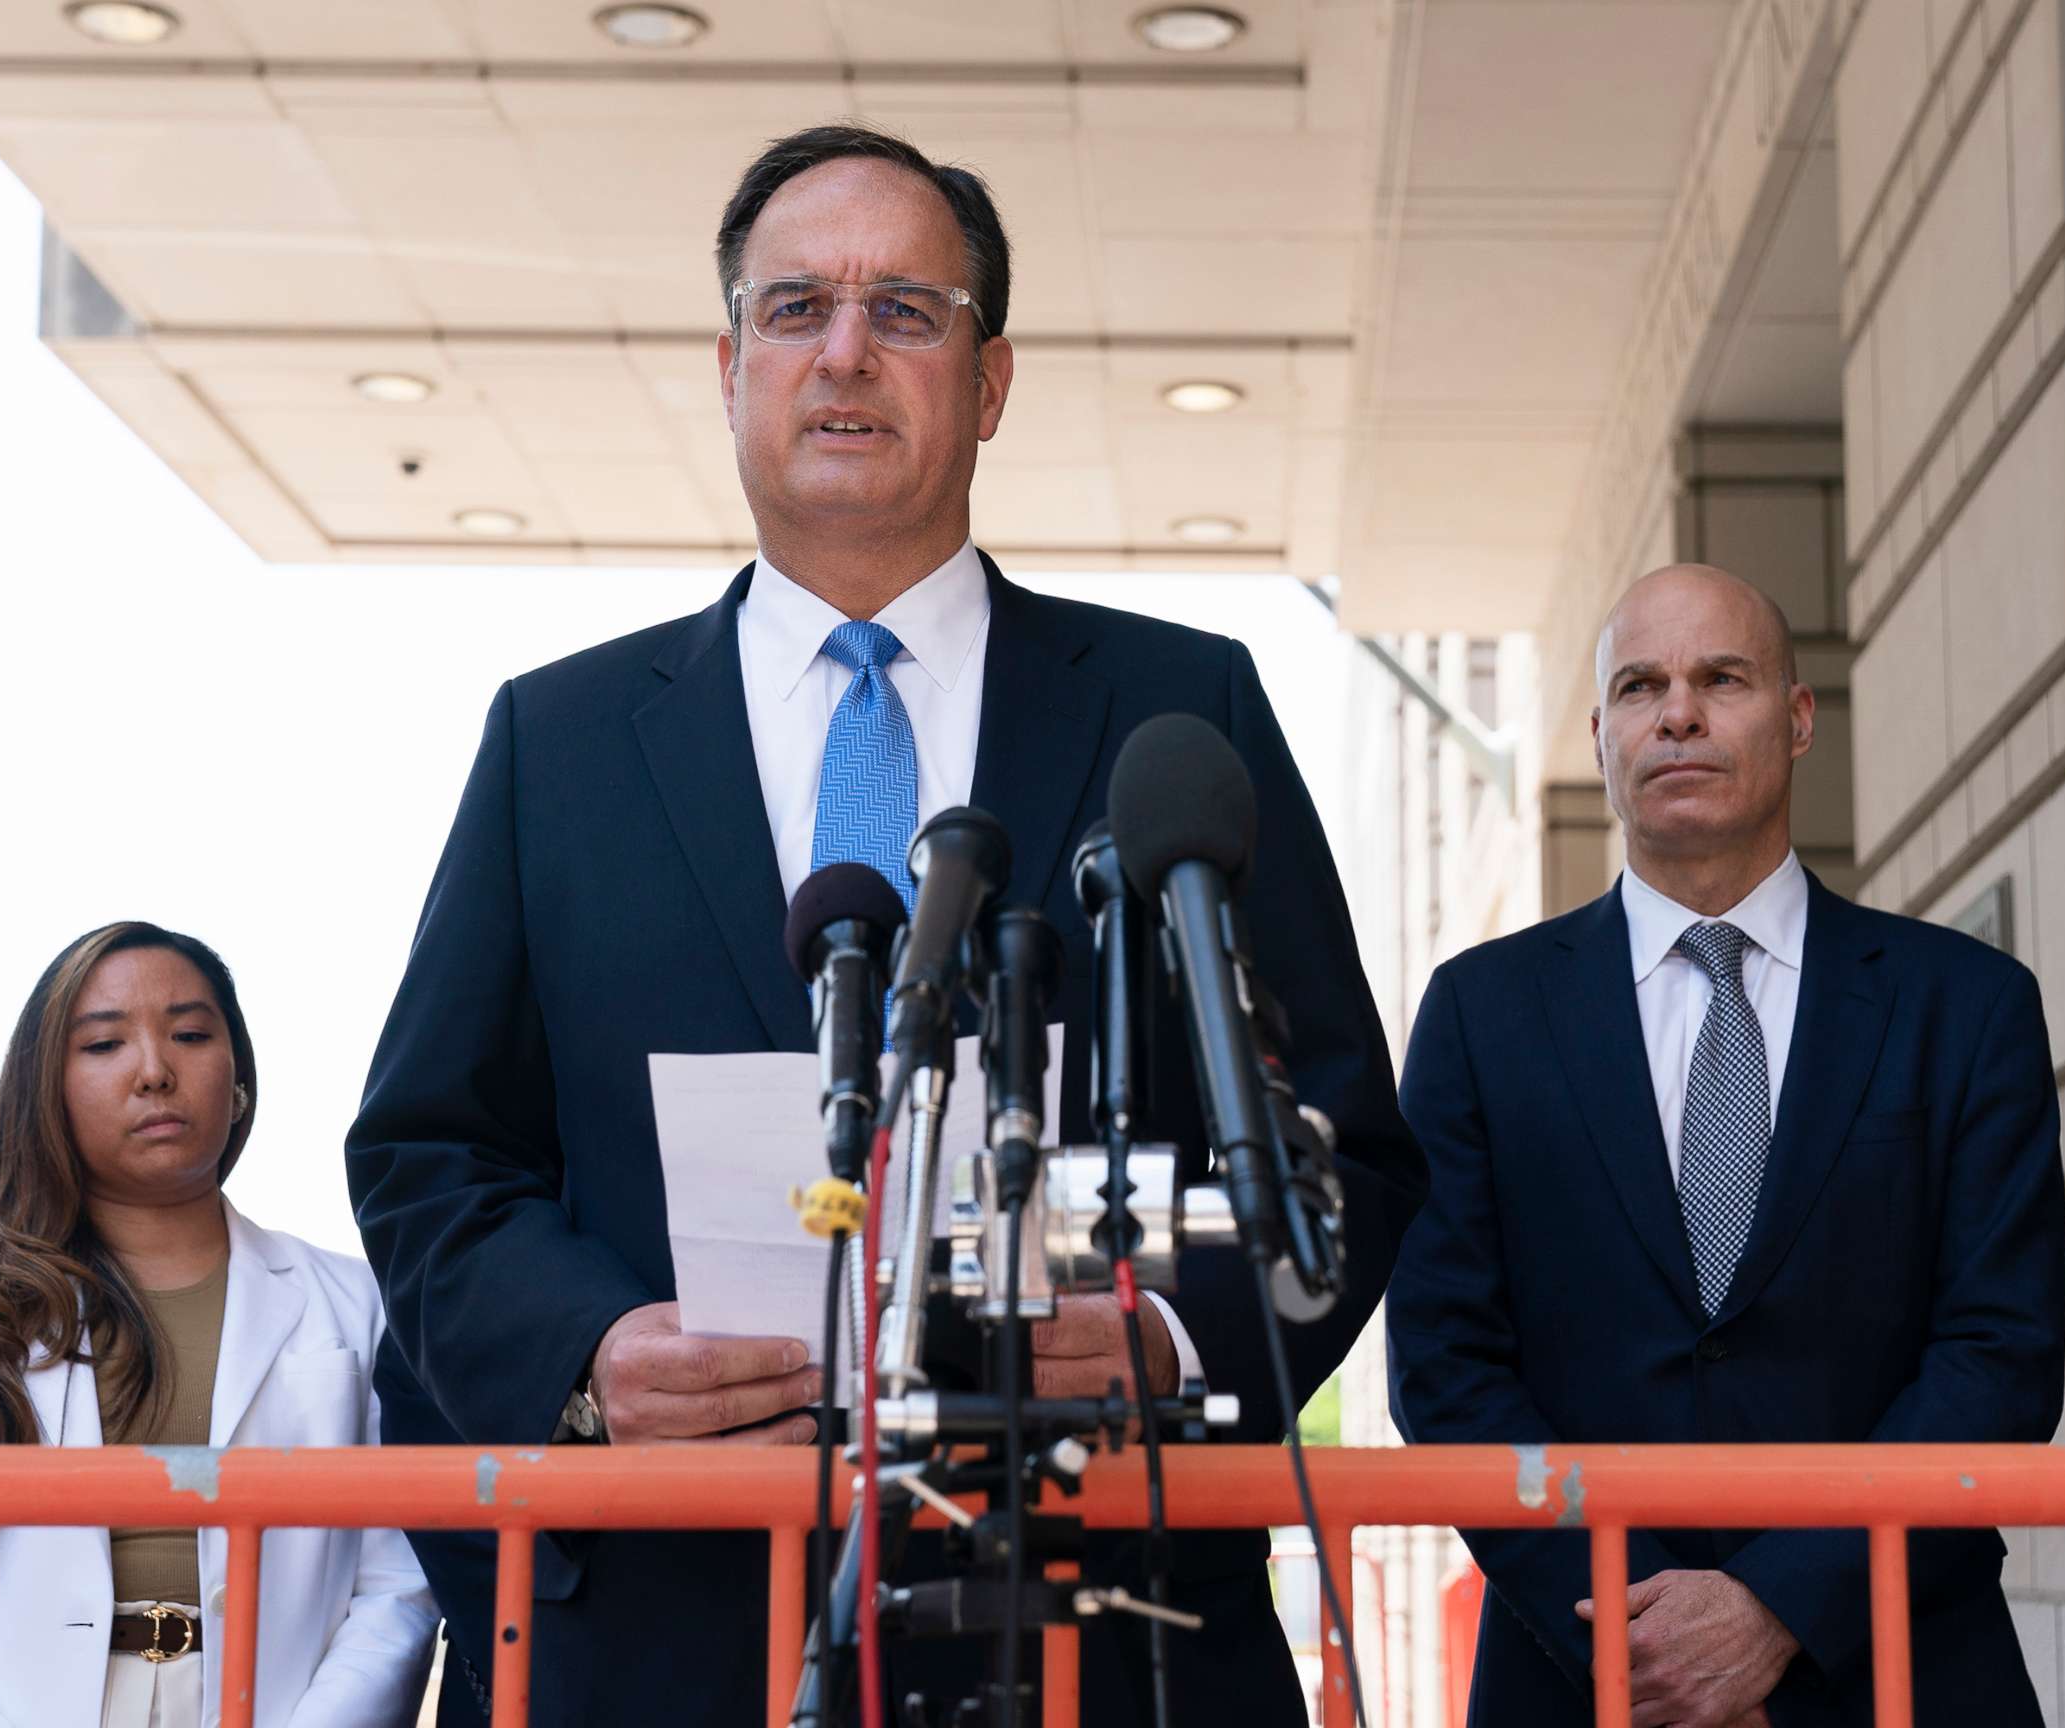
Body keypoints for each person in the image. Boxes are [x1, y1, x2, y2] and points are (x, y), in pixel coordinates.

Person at [347, 123, 1425, 1727]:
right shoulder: (555, 743)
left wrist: (1164, 1345)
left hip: (1097, 1617)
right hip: (674, 1628)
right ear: (729, 371)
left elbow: (1328, 1130)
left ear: (988, 383)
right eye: (795, 310)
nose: (845, 352)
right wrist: (587, 1360)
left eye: (906, 311)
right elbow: (433, 1154)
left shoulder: (1173, 712)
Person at [1386, 563, 2065, 1727]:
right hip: (1584, 1672)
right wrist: (1640, 1631)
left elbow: (1998, 1357)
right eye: (1642, 685)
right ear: (1602, 735)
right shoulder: (1479, 1013)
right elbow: (1446, 1367)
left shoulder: (1967, 1006)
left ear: (1798, 720)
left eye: (1722, 679)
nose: (1679, 712)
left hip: (1897, 1667)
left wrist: (1774, 1609)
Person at [0, 921, 438, 1728]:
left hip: (280, 1708)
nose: (155, 1071)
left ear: (240, 1081)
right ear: (44, 1090)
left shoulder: (359, 1302)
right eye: (103, 1045)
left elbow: (396, 1583)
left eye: (190, 1034)